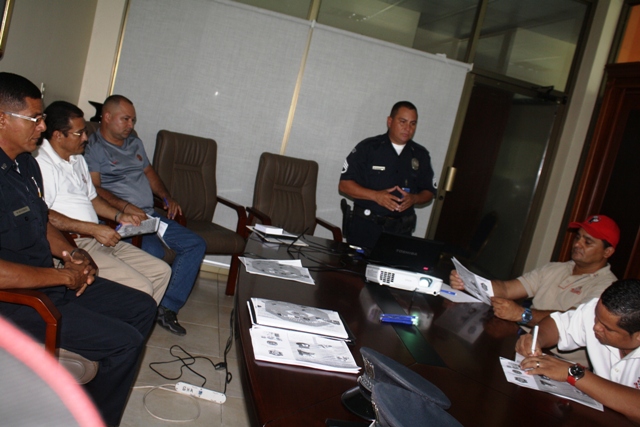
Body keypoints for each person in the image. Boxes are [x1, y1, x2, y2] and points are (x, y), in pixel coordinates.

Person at [0, 72, 156, 426]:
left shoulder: (25, 164)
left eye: (42, 118)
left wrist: (71, 255)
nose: (42, 127)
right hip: (17, 302)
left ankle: (81, 400)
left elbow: (41, 220)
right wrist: (60, 276)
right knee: (127, 343)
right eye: (34, 119)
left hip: (48, 282)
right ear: (2, 119)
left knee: (142, 307)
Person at [84, 95, 206, 336]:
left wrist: (166, 197)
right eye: (126, 119)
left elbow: (149, 173)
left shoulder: (135, 143)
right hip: (122, 219)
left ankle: (167, 307)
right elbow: (94, 189)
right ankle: (134, 307)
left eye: (133, 120)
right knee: (155, 254)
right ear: (107, 117)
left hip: (150, 215)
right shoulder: (93, 147)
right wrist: (125, 208)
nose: (131, 125)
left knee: (195, 244)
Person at [35, 100, 171, 305]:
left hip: (96, 238)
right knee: (142, 287)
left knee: (162, 271)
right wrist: (93, 229)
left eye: (85, 132)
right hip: (73, 244)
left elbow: (93, 199)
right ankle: (124, 322)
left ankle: (135, 323)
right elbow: (44, 215)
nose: (85, 138)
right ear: (58, 135)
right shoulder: (41, 163)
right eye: (79, 133)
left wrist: (120, 216)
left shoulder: (77, 158)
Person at [449, 214, 619, 326]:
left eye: (587, 242)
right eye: (577, 237)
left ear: (608, 252)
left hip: (559, 360)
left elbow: (571, 322)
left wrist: (523, 314)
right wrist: (469, 282)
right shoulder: (555, 268)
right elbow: (507, 289)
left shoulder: (609, 289)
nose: (577, 244)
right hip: (525, 341)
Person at [515, 279, 640, 422]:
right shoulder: (603, 312)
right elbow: (559, 325)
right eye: (596, 317)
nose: (596, 327)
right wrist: (536, 339)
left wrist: (573, 373)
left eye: (608, 328)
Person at [339, 101, 436, 250]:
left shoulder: (420, 155)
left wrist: (415, 198)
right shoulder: (368, 148)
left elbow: (429, 191)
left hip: (401, 232)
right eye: (402, 122)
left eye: (412, 124)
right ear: (390, 121)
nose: (408, 128)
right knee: (358, 265)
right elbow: (344, 185)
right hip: (366, 228)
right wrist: (376, 196)